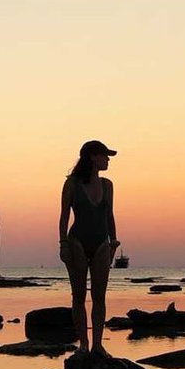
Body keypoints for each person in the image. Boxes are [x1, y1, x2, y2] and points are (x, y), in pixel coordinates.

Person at [59, 141, 120, 355]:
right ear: (93, 157)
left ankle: (97, 344)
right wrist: (63, 244)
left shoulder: (107, 185)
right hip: (76, 241)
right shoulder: (72, 184)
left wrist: (113, 241)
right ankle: (83, 344)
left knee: (99, 296)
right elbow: (64, 215)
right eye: (105, 155)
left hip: (102, 243)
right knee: (78, 295)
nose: (108, 159)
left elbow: (109, 214)